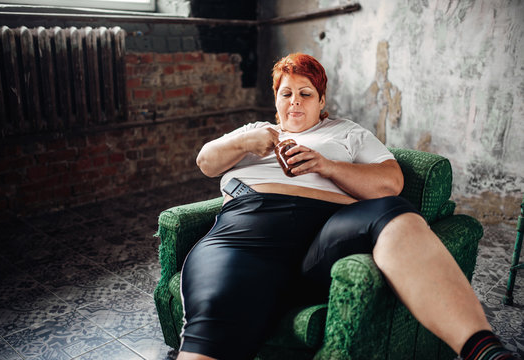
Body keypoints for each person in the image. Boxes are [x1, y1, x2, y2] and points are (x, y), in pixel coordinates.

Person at [177, 53, 517, 360]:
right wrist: (247, 141)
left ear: (321, 100)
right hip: (247, 232)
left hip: (327, 232)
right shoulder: (254, 132)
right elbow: (206, 162)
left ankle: (484, 351)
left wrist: (326, 166)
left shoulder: (346, 132)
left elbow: (390, 182)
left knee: (396, 214)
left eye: (305, 93)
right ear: (276, 100)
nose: (295, 102)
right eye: (286, 94)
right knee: (214, 317)